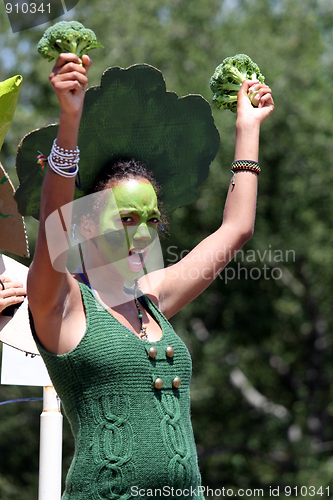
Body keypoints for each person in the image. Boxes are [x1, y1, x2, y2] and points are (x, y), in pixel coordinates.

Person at [27, 53, 274, 499]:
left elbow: (237, 229)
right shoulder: (63, 304)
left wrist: (248, 129)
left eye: (152, 220)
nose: (143, 235)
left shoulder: (152, 298)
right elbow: (53, 225)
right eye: (124, 219)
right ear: (84, 225)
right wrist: (70, 121)